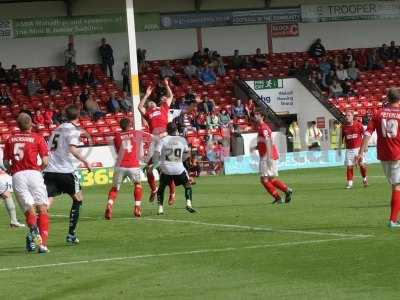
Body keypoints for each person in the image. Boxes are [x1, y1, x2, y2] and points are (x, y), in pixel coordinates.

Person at [43, 105, 92, 244]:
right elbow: (72, 149)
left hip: (50, 170)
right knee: (78, 199)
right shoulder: (73, 130)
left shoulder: (57, 129)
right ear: (78, 117)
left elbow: (49, 148)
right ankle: (71, 234)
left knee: (46, 203)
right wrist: (86, 161)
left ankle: (36, 232)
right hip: (65, 171)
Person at [3, 113, 50, 253]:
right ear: (31, 123)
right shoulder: (38, 138)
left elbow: (5, 163)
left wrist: (12, 170)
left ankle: (34, 234)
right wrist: (39, 170)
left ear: (18, 125)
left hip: (18, 176)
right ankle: (43, 245)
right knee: (42, 208)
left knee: (29, 209)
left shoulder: (10, 139)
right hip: (34, 174)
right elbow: (46, 162)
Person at [356, 88, 400, 227]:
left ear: (388, 98)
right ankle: (392, 220)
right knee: (397, 186)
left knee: (396, 186)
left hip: (383, 155)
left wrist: (361, 153)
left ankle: (394, 219)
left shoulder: (378, 113)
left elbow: (368, 133)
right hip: (398, 154)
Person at [138, 79, 176, 203]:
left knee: (166, 169)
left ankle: (172, 193)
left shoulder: (163, 108)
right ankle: (154, 190)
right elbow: (139, 106)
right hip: (155, 141)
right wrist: (146, 96)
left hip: (165, 140)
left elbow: (170, 96)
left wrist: (166, 85)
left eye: (152, 103)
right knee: (149, 168)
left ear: (156, 103)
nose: (151, 104)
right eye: (149, 104)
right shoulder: (148, 113)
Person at [105, 118, 146, 219]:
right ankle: (137, 207)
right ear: (130, 125)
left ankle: (109, 205)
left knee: (115, 188)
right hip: (133, 165)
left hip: (120, 166)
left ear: (120, 126)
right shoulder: (136, 134)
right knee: (138, 185)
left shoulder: (116, 137)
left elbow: (117, 151)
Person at [153, 122, 196, 215]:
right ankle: (189, 203)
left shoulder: (162, 140)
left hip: (166, 169)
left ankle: (160, 208)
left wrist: (154, 165)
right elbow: (187, 154)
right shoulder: (182, 140)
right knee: (187, 185)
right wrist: (182, 159)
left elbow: (156, 154)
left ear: (167, 130)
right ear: (176, 130)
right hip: (178, 169)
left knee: (161, 188)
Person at [252, 111, 293, 204]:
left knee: (264, 179)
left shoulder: (263, 128)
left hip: (267, 156)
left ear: (261, 116)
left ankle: (278, 198)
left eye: (256, 114)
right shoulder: (261, 127)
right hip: (268, 155)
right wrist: (257, 147)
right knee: (271, 178)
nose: (254, 116)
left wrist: (269, 157)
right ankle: (286, 190)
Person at [339, 111, 368, 189]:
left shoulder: (358, 125)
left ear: (352, 116)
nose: (347, 117)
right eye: (346, 115)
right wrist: (339, 149)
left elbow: (365, 135)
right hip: (349, 150)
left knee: (362, 165)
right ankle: (350, 183)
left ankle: (364, 178)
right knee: (349, 166)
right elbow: (340, 138)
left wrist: (365, 146)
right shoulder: (343, 126)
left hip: (358, 149)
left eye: (349, 115)